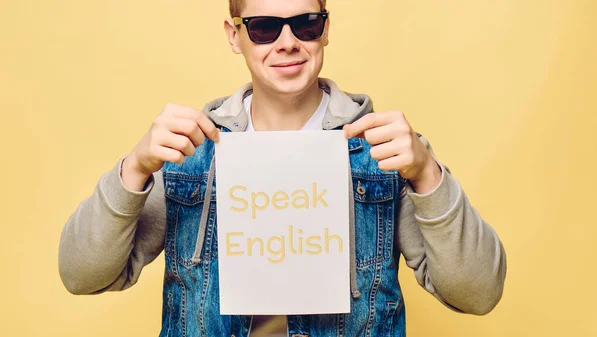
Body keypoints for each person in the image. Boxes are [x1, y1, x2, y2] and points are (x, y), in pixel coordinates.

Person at [58, 0, 507, 336]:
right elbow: (82, 275)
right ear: (234, 36)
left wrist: (428, 174)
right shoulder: (189, 155)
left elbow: (478, 294)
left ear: (326, 29)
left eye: (306, 24)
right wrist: (133, 169)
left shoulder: (386, 152)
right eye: (265, 27)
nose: (288, 42)